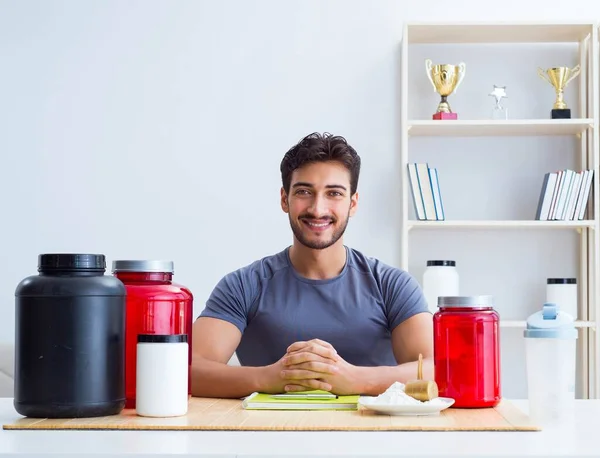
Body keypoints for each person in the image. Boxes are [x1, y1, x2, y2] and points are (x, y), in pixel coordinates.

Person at [191, 132, 433, 399]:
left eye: (334, 193)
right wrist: (273, 376)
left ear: (352, 203)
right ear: (285, 200)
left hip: (372, 435)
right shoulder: (243, 285)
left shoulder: (393, 285)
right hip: (263, 436)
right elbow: (189, 370)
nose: (318, 209)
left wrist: (354, 379)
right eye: (304, 192)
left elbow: (436, 370)